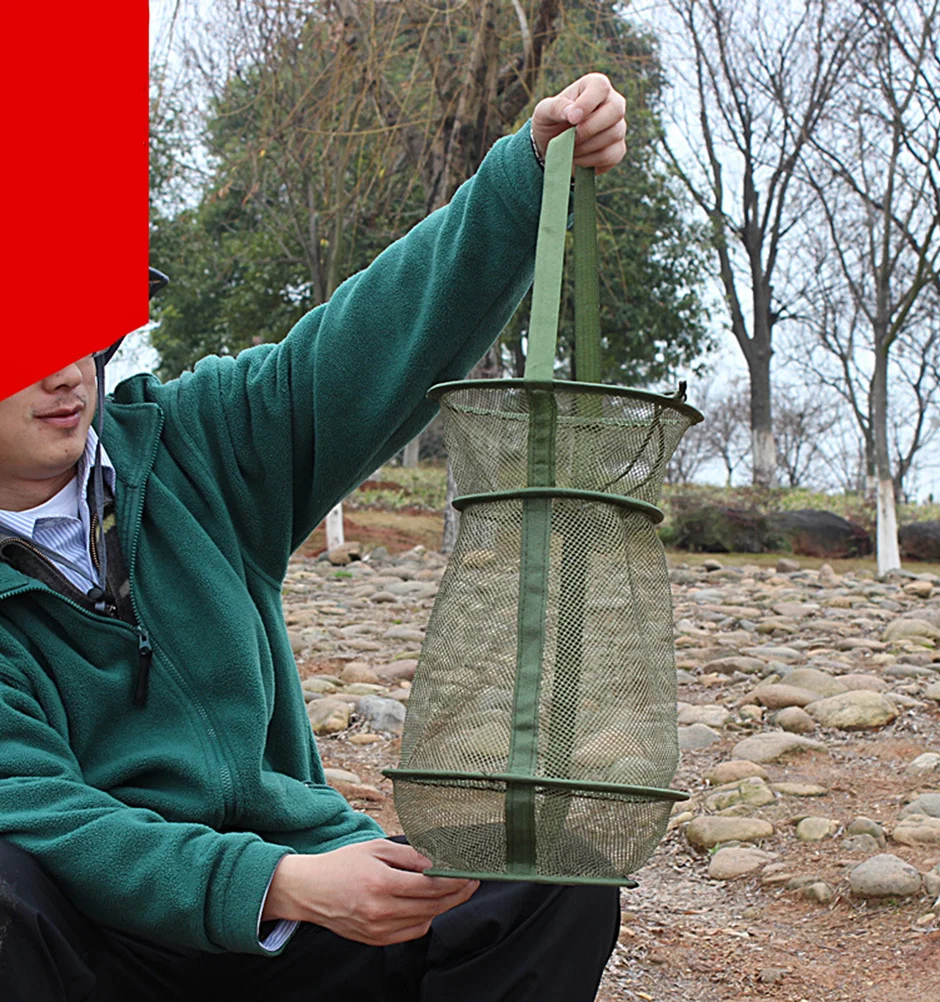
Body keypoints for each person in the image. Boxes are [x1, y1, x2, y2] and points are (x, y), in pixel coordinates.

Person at [0, 74, 628, 1001]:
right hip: (107, 943)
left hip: (305, 911)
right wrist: (274, 883)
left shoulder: (198, 444)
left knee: (549, 878)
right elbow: (45, 814)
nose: (65, 372)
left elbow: (370, 342)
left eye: (77, 327)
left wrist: (526, 177)